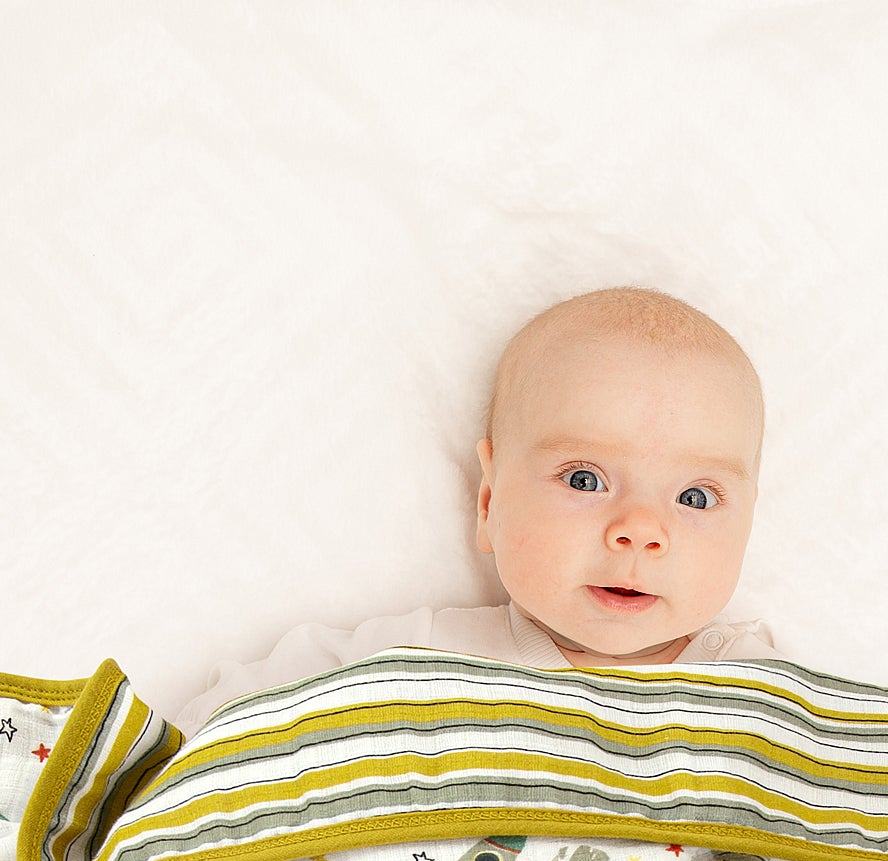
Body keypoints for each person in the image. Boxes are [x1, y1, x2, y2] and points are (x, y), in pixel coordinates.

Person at [174, 286, 776, 731]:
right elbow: (230, 719)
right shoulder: (423, 660)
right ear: (489, 503)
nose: (639, 531)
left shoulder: (771, 702)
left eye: (695, 497)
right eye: (585, 479)